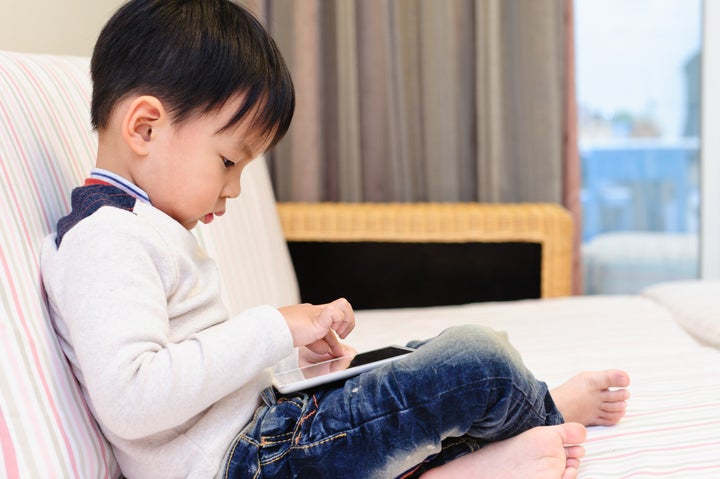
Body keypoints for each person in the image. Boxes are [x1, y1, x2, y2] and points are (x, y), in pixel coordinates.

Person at [39, 1, 630, 478]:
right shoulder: (106, 241)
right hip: (246, 461)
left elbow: (195, 366)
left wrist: (293, 362)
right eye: (228, 161)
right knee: (478, 362)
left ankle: (468, 457)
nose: (235, 189)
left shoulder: (142, 225)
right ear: (145, 126)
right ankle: (537, 412)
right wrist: (274, 326)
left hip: (267, 431)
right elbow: (134, 397)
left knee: (426, 355)